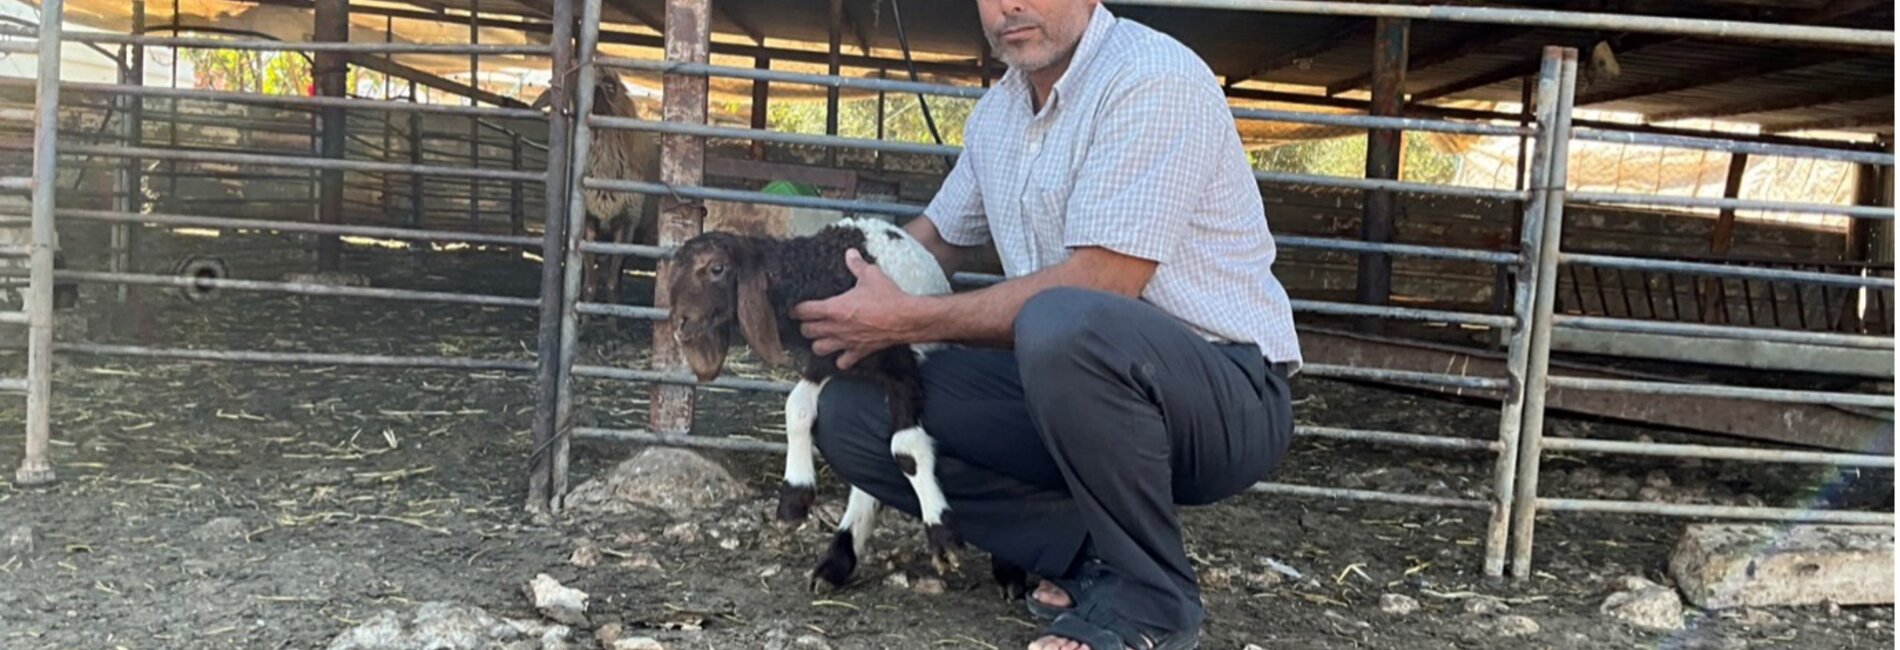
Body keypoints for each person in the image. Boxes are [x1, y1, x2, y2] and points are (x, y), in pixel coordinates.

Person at [788, 1, 1300, 648]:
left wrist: (906, 318)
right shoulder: (999, 113)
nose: (1011, 5)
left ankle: (1152, 601)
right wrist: (823, 293)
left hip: (1220, 398)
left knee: (1063, 321)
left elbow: (1105, 284)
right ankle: (1088, 558)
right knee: (853, 413)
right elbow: (931, 242)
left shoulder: (1153, 78)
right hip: (1065, 386)